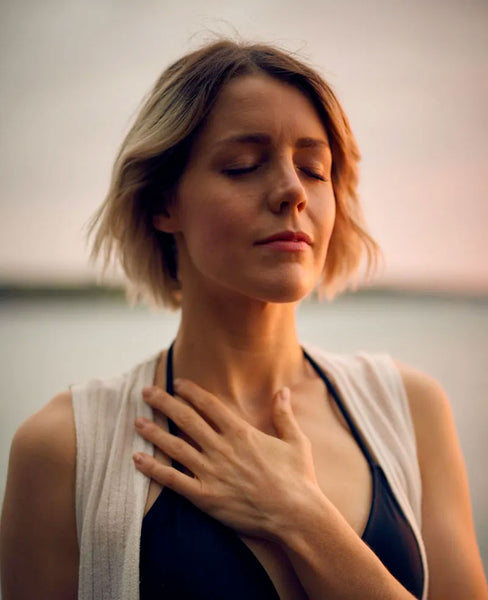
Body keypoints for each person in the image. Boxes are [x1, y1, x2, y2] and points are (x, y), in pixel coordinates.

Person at [1, 38, 486, 600]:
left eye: (313, 168)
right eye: (242, 166)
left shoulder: (411, 410)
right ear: (163, 204)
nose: (291, 191)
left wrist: (301, 517)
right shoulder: (65, 448)